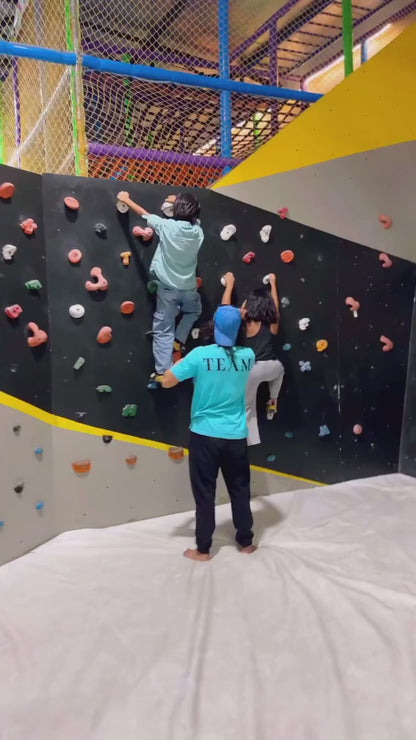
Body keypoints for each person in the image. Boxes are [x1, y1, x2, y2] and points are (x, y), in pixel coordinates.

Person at [160, 305, 256, 561]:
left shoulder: (199, 356)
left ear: (214, 326)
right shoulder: (248, 354)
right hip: (236, 435)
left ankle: (203, 549)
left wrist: (173, 365)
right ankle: (246, 543)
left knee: (205, 493)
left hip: (205, 435)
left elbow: (168, 381)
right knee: (240, 489)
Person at [117, 191, 204, 388]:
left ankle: (162, 372)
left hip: (168, 290)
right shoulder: (199, 232)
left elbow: (144, 214)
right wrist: (181, 205)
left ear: (175, 211)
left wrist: (126, 199)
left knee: (163, 328)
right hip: (189, 287)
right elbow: (194, 220)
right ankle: (179, 339)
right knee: (194, 311)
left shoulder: (166, 226)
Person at [221, 272, 284, 446]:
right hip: (272, 367)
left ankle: (247, 440)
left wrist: (230, 286)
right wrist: (273, 284)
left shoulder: (245, 321)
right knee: (280, 373)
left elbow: (225, 310)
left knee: (248, 406)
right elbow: (276, 306)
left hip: (251, 370)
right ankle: (273, 401)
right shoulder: (272, 322)